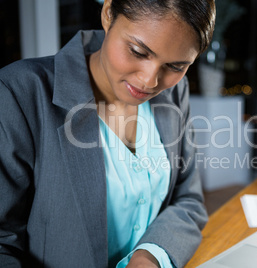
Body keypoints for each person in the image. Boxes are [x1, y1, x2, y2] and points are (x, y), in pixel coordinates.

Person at [0, 0, 215, 267]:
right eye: (138, 51)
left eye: (175, 67)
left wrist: (149, 256)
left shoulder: (173, 92)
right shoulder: (18, 93)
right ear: (108, 13)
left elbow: (189, 199)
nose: (150, 81)